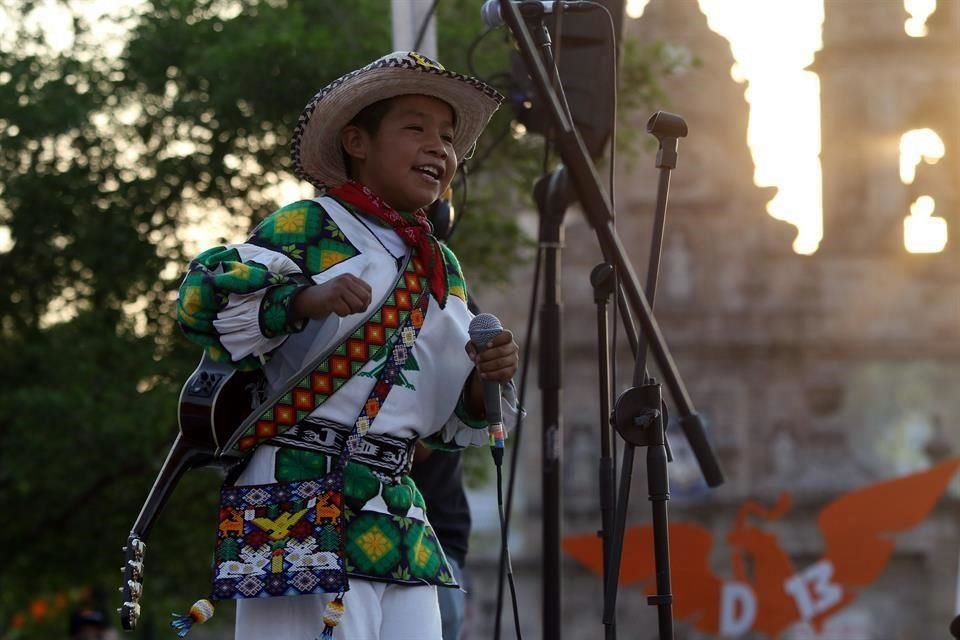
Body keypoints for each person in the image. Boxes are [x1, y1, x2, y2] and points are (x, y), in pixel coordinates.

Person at [175, 51, 520, 640]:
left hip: (396, 507)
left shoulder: (442, 267)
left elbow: (446, 418)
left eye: (446, 135)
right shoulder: (312, 225)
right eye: (415, 128)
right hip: (294, 492)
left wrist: (487, 375)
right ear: (357, 141)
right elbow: (201, 300)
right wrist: (306, 300)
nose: (439, 147)